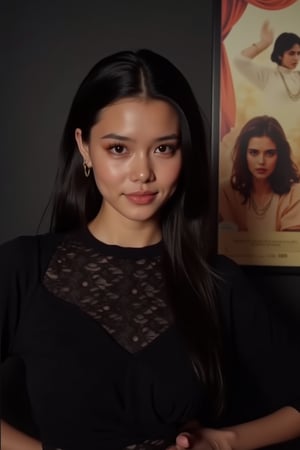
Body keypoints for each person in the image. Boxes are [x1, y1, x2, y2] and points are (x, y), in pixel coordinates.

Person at [1, 49, 300, 450]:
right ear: (85, 147)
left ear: (184, 151)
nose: (143, 173)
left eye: (163, 148)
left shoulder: (217, 283)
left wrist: (223, 442)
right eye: (119, 149)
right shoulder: (25, 269)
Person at [219, 115, 300, 232]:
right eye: (254, 153)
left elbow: (291, 248)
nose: (261, 161)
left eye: (270, 153)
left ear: (280, 156)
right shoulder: (224, 192)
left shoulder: (295, 194)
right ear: (244, 155)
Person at [233, 21, 300, 133]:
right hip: (275, 135)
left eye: (299, 53)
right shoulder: (268, 75)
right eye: (291, 53)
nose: (296, 58)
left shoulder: (297, 76)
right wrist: (264, 43)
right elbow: (239, 61)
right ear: (279, 55)